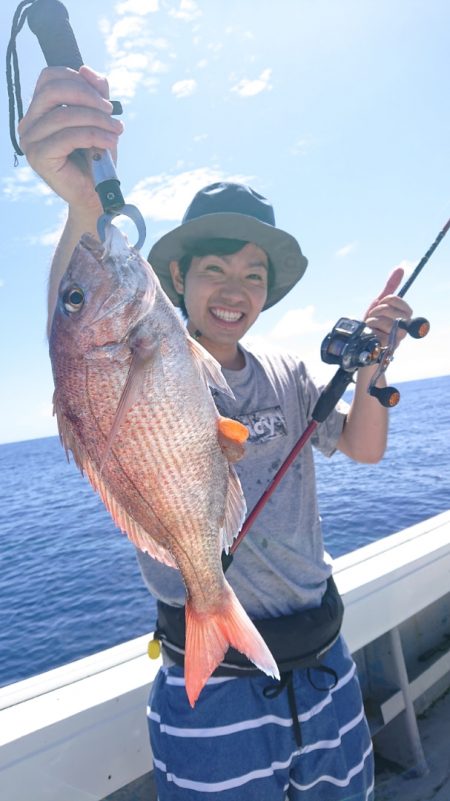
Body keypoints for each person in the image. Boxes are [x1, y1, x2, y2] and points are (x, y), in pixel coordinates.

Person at [20, 66, 412, 801]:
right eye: (214, 270)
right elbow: (75, 340)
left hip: (326, 665)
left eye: (253, 275)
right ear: (176, 277)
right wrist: (80, 205)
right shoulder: (154, 346)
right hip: (213, 691)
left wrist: (373, 368)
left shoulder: (289, 374)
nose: (235, 290)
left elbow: (364, 446)